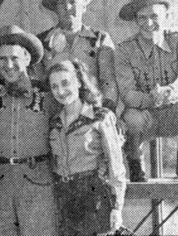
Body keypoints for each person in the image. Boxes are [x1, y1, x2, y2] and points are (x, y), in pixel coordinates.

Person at [117, 0, 178, 182]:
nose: (148, 23)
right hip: (144, 116)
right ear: (135, 20)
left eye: (154, 16)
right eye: (142, 18)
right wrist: (151, 99)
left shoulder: (177, 41)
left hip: (172, 113)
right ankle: (135, 165)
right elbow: (127, 93)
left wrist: (171, 91)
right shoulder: (124, 50)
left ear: (166, 15)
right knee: (131, 117)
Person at [0, 25, 58, 236]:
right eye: (2, 59)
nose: (9, 65)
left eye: (14, 58)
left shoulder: (46, 92)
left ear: (27, 58)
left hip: (37, 179)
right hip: (0, 180)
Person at [48, 59, 126, 235]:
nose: (60, 91)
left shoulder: (100, 117)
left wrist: (117, 208)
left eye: (65, 83)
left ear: (79, 82)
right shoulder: (54, 123)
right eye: (54, 86)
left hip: (94, 197)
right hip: (64, 198)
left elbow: (116, 167)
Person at [38, 0, 118, 113]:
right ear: (55, 10)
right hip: (55, 114)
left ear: (84, 6)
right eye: (61, 3)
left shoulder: (100, 39)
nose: (68, 7)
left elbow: (108, 81)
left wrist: (106, 111)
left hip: (92, 112)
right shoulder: (42, 41)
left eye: (73, 1)